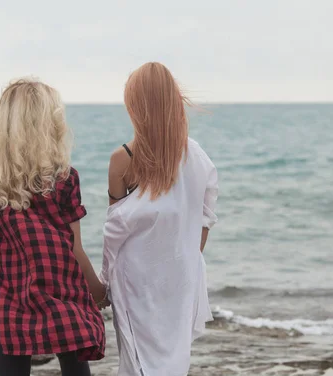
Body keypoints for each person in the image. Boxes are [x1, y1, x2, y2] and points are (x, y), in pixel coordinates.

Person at [0, 79, 106, 376]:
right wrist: (98, 291)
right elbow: (74, 247)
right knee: (75, 367)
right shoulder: (64, 179)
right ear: (48, 128)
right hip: (62, 293)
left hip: (8, 296)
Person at [99, 62, 219, 376]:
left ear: (135, 107)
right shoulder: (196, 155)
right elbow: (206, 219)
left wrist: (103, 281)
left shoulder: (122, 159)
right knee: (174, 361)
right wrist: (186, 260)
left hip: (134, 280)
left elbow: (114, 232)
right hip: (179, 276)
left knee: (138, 362)